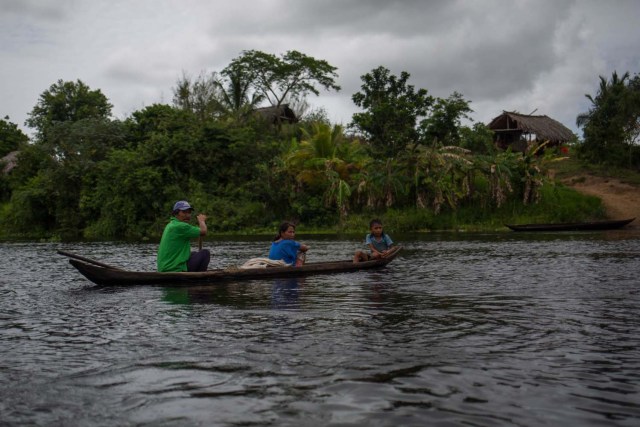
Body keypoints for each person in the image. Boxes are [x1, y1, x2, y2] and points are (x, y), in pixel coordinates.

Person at [157, 200, 210, 272]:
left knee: (194, 254)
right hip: (173, 269)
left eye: (189, 212)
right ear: (176, 213)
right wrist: (201, 221)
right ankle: (199, 279)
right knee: (205, 253)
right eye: (184, 212)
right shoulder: (181, 226)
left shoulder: (171, 224)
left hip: (164, 268)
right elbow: (203, 231)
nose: (187, 215)